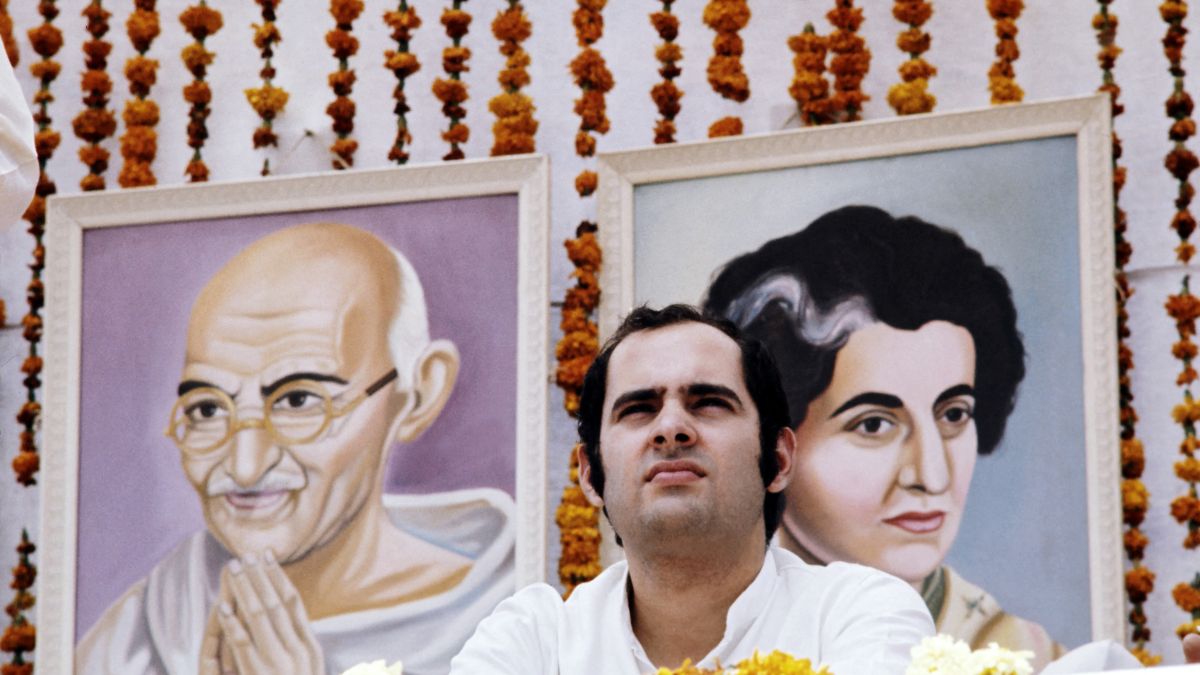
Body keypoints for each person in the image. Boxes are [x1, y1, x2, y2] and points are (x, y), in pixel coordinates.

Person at [76, 223, 515, 675]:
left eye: (299, 401)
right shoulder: (147, 628)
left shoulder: (508, 617)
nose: (245, 468)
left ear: (418, 393)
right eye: (208, 409)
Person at [450, 304, 933, 674]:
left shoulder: (860, 614)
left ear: (779, 459)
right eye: (638, 409)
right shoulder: (535, 642)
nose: (671, 429)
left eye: (708, 403)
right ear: (592, 475)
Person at [701, 205, 1063, 670]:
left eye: (954, 414)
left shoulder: (1027, 656)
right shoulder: (702, 645)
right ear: (775, 451)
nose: (931, 476)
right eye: (873, 424)